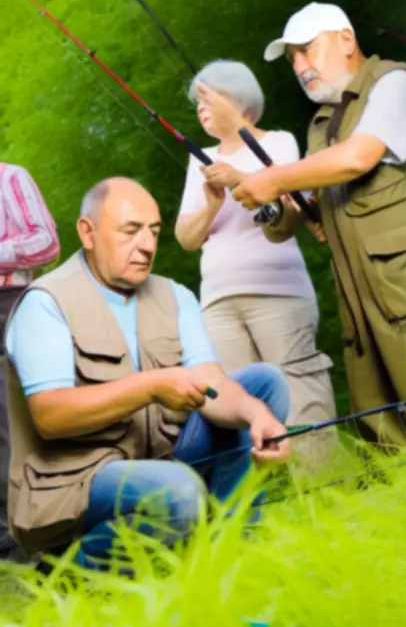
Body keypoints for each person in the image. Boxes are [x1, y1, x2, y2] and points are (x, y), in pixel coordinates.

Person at [3, 178, 290, 569]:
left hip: (160, 458)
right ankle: (69, 569)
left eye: (154, 231)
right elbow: (51, 416)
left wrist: (258, 416)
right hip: (74, 481)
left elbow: (216, 385)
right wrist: (151, 386)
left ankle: (232, 554)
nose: (148, 245)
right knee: (179, 491)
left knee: (263, 386)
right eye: (131, 231)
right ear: (88, 233)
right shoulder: (45, 304)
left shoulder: (175, 295)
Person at [232, 2, 406, 446]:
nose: (300, 67)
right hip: (363, 317)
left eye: (307, 50)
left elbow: (357, 158)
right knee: (389, 453)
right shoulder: (323, 125)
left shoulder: (397, 84)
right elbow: (289, 220)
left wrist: (273, 178)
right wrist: (268, 203)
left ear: (347, 39)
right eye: (293, 60)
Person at [175, 59, 336, 433]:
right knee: (237, 405)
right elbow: (185, 238)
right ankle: (269, 489)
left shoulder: (279, 141)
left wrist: (237, 179)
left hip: (277, 291)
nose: (200, 109)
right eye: (197, 103)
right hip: (217, 301)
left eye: (207, 99)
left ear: (239, 100)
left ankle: (324, 483)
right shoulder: (201, 160)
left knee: (299, 394)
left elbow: (286, 199)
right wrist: (212, 204)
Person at [0, 163, 60, 557]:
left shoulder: (9, 176)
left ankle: (31, 539)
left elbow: (47, 243)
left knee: (13, 423)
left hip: (7, 305)